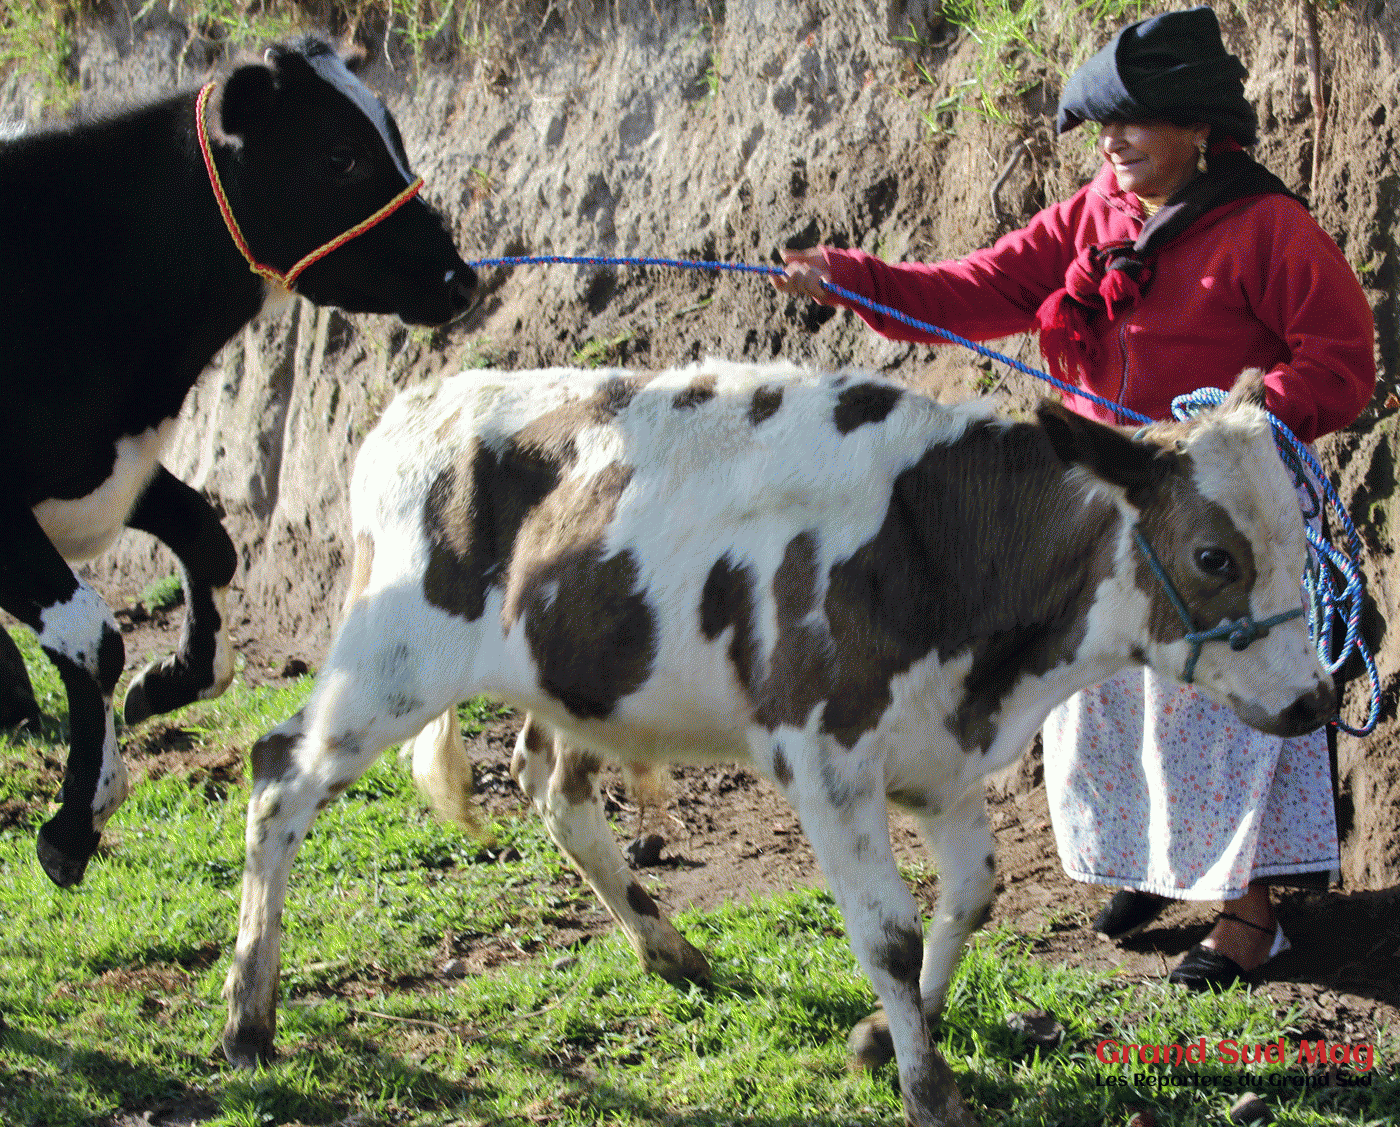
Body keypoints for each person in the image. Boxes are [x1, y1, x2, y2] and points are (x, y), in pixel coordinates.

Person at [772, 6, 1374, 989]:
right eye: (1103, 123)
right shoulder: (1093, 214)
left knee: (1206, 707)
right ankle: (1154, 865)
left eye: (1134, 120)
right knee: (1097, 704)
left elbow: (1341, 363)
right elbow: (971, 287)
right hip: (1105, 510)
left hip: (1218, 518)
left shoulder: (1266, 229)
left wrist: (1241, 417)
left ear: (1197, 130)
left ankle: (1247, 916)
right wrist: (849, 279)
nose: (1112, 140)